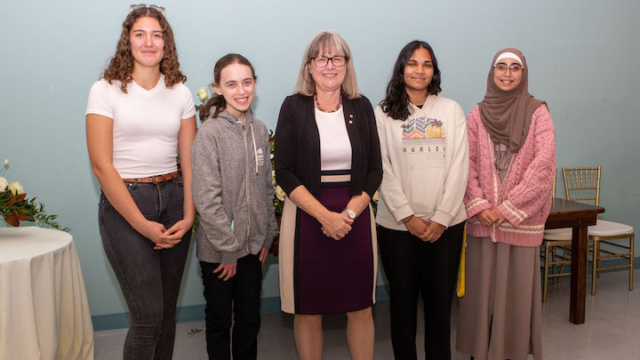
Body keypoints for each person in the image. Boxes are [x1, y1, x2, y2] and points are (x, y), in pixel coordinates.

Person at [86, 5, 196, 359]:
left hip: (175, 202)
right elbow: (102, 166)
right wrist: (143, 225)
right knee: (147, 318)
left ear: (167, 42)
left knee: (165, 316)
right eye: (140, 34)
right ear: (127, 41)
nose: (149, 42)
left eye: (157, 34)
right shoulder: (105, 89)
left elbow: (190, 161)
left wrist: (190, 215)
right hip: (126, 206)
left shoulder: (180, 91)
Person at [274, 31, 382, 360]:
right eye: (321, 58)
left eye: (337, 58)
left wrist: (348, 215)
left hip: (355, 215)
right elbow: (285, 171)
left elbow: (375, 170)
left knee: (360, 307)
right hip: (307, 216)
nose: (329, 65)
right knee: (308, 310)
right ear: (309, 67)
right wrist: (325, 216)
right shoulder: (293, 107)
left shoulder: (362, 106)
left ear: (347, 66)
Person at [456, 48, 556, 360]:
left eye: (515, 68)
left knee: (515, 294)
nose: (508, 73)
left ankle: (510, 352)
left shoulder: (538, 112)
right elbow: (465, 165)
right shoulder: (476, 114)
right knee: (480, 292)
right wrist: (479, 205)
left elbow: (543, 167)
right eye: (502, 67)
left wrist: (505, 210)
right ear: (492, 71)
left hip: (520, 223)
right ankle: (479, 351)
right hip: (482, 223)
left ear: (523, 73)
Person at [374, 40, 469, 360]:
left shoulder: (451, 110)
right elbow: (381, 169)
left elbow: (460, 166)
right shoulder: (383, 113)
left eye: (426, 64)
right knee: (401, 308)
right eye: (412, 63)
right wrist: (408, 217)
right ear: (401, 69)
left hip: (447, 226)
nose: (419, 70)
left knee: (440, 308)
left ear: (434, 71)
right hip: (398, 228)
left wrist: (442, 217)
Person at [191, 53, 278, 360]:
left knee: (249, 319)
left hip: (254, 247)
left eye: (247, 82)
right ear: (218, 88)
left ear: (255, 83)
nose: (241, 91)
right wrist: (228, 250)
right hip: (219, 252)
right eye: (232, 84)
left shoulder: (259, 129)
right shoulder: (209, 133)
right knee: (219, 321)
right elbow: (206, 199)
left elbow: (265, 186)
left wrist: (269, 233)